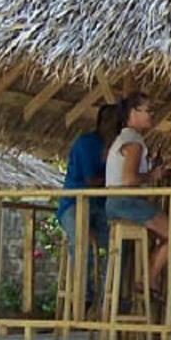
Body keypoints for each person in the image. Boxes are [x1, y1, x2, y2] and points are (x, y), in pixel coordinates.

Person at [105, 92, 171, 298]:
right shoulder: (134, 141)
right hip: (126, 202)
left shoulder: (124, 139)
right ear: (133, 112)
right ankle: (149, 278)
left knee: (164, 235)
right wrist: (152, 175)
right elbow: (128, 179)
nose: (152, 115)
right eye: (148, 110)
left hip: (116, 203)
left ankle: (150, 277)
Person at [57, 102, 120, 304]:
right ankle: (82, 300)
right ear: (105, 122)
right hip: (74, 204)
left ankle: (107, 298)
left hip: (99, 206)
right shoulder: (87, 143)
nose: (118, 128)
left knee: (118, 243)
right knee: (82, 245)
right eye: (116, 123)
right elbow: (90, 181)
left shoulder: (115, 146)